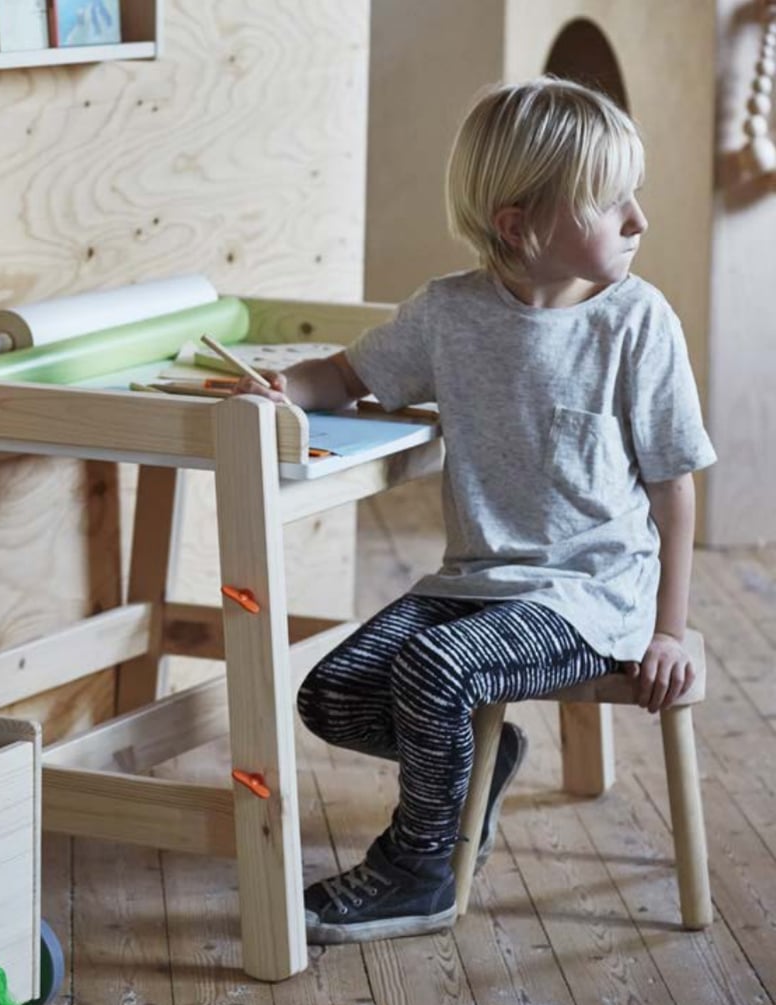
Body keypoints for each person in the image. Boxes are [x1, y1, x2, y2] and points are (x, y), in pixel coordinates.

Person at [233, 77, 717, 945]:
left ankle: (418, 873)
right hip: (475, 583)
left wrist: (669, 630)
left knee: (436, 673)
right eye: (610, 202)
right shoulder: (447, 314)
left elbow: (675, 486)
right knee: (332, 694)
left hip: (590, 594)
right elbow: (345, 376)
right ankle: (470, 774)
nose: (639, 218)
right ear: (517, 222)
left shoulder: (638, 324)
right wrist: (282, 392)